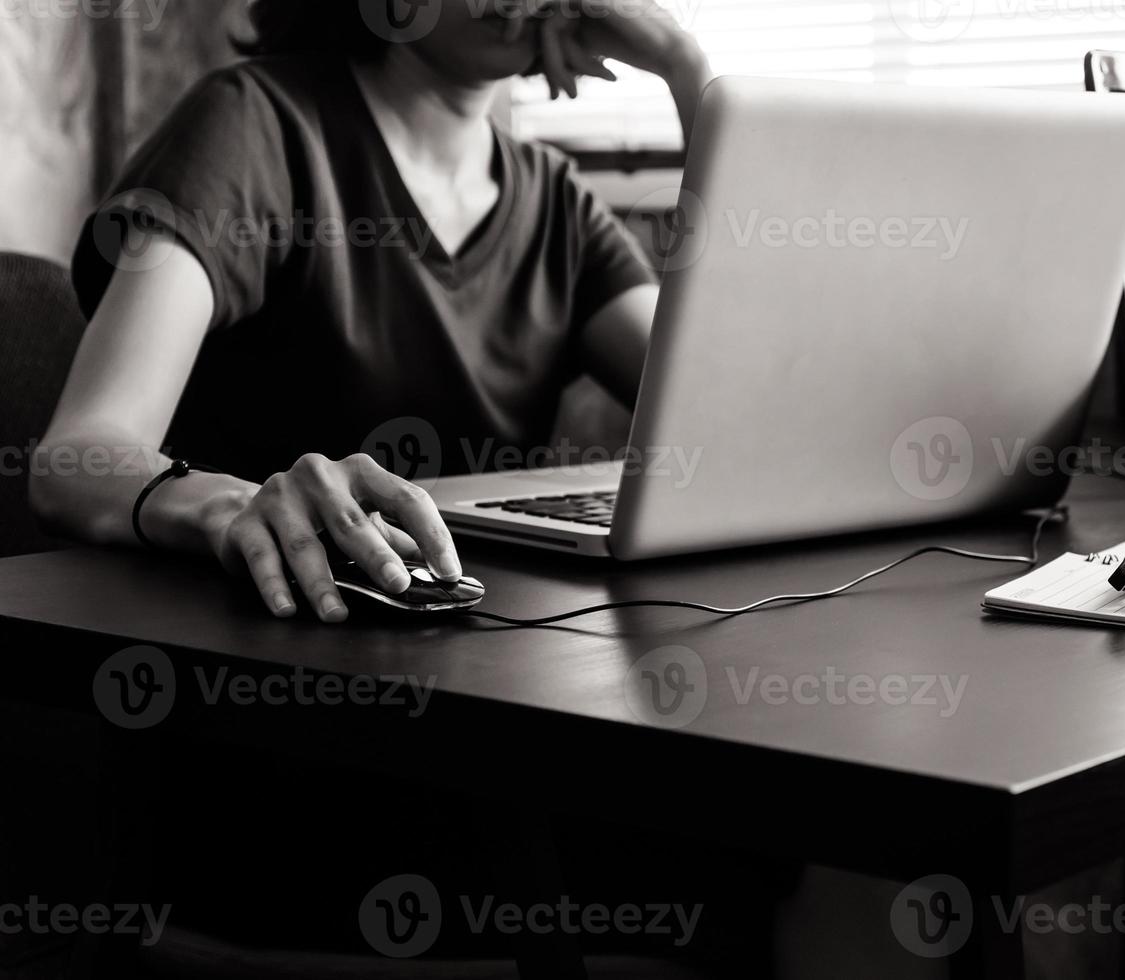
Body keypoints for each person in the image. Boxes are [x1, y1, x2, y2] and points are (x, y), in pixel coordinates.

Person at [31, 0, 710, 624]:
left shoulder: (558, 202)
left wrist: (683, 66)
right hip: (265, 650)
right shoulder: (252, 123)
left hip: (489, 640)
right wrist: (231, 503)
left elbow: (729, 413)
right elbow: (75, 460)